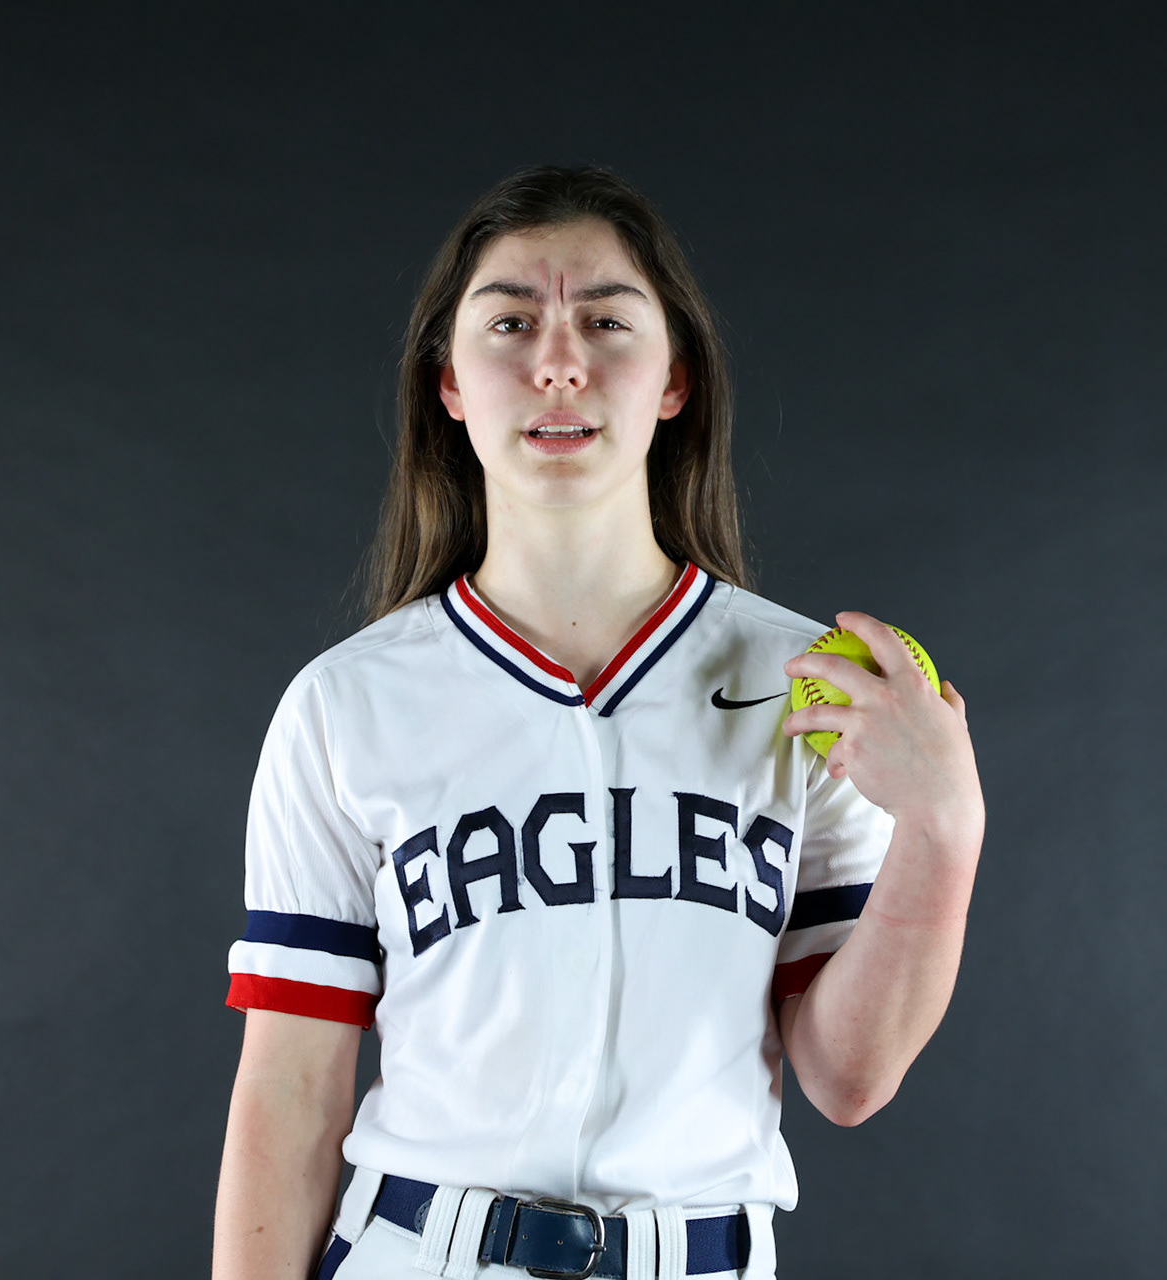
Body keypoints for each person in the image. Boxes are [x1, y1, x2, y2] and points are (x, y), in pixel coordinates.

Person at [212, 166, 984, 1280]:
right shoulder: (345, 703)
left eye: (608, 319)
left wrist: (944, 831)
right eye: (511, 320)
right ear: (451, 386)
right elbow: (290, 1085)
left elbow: (849, 1077)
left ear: (674, 379)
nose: (559, 359)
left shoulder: (806, 682)